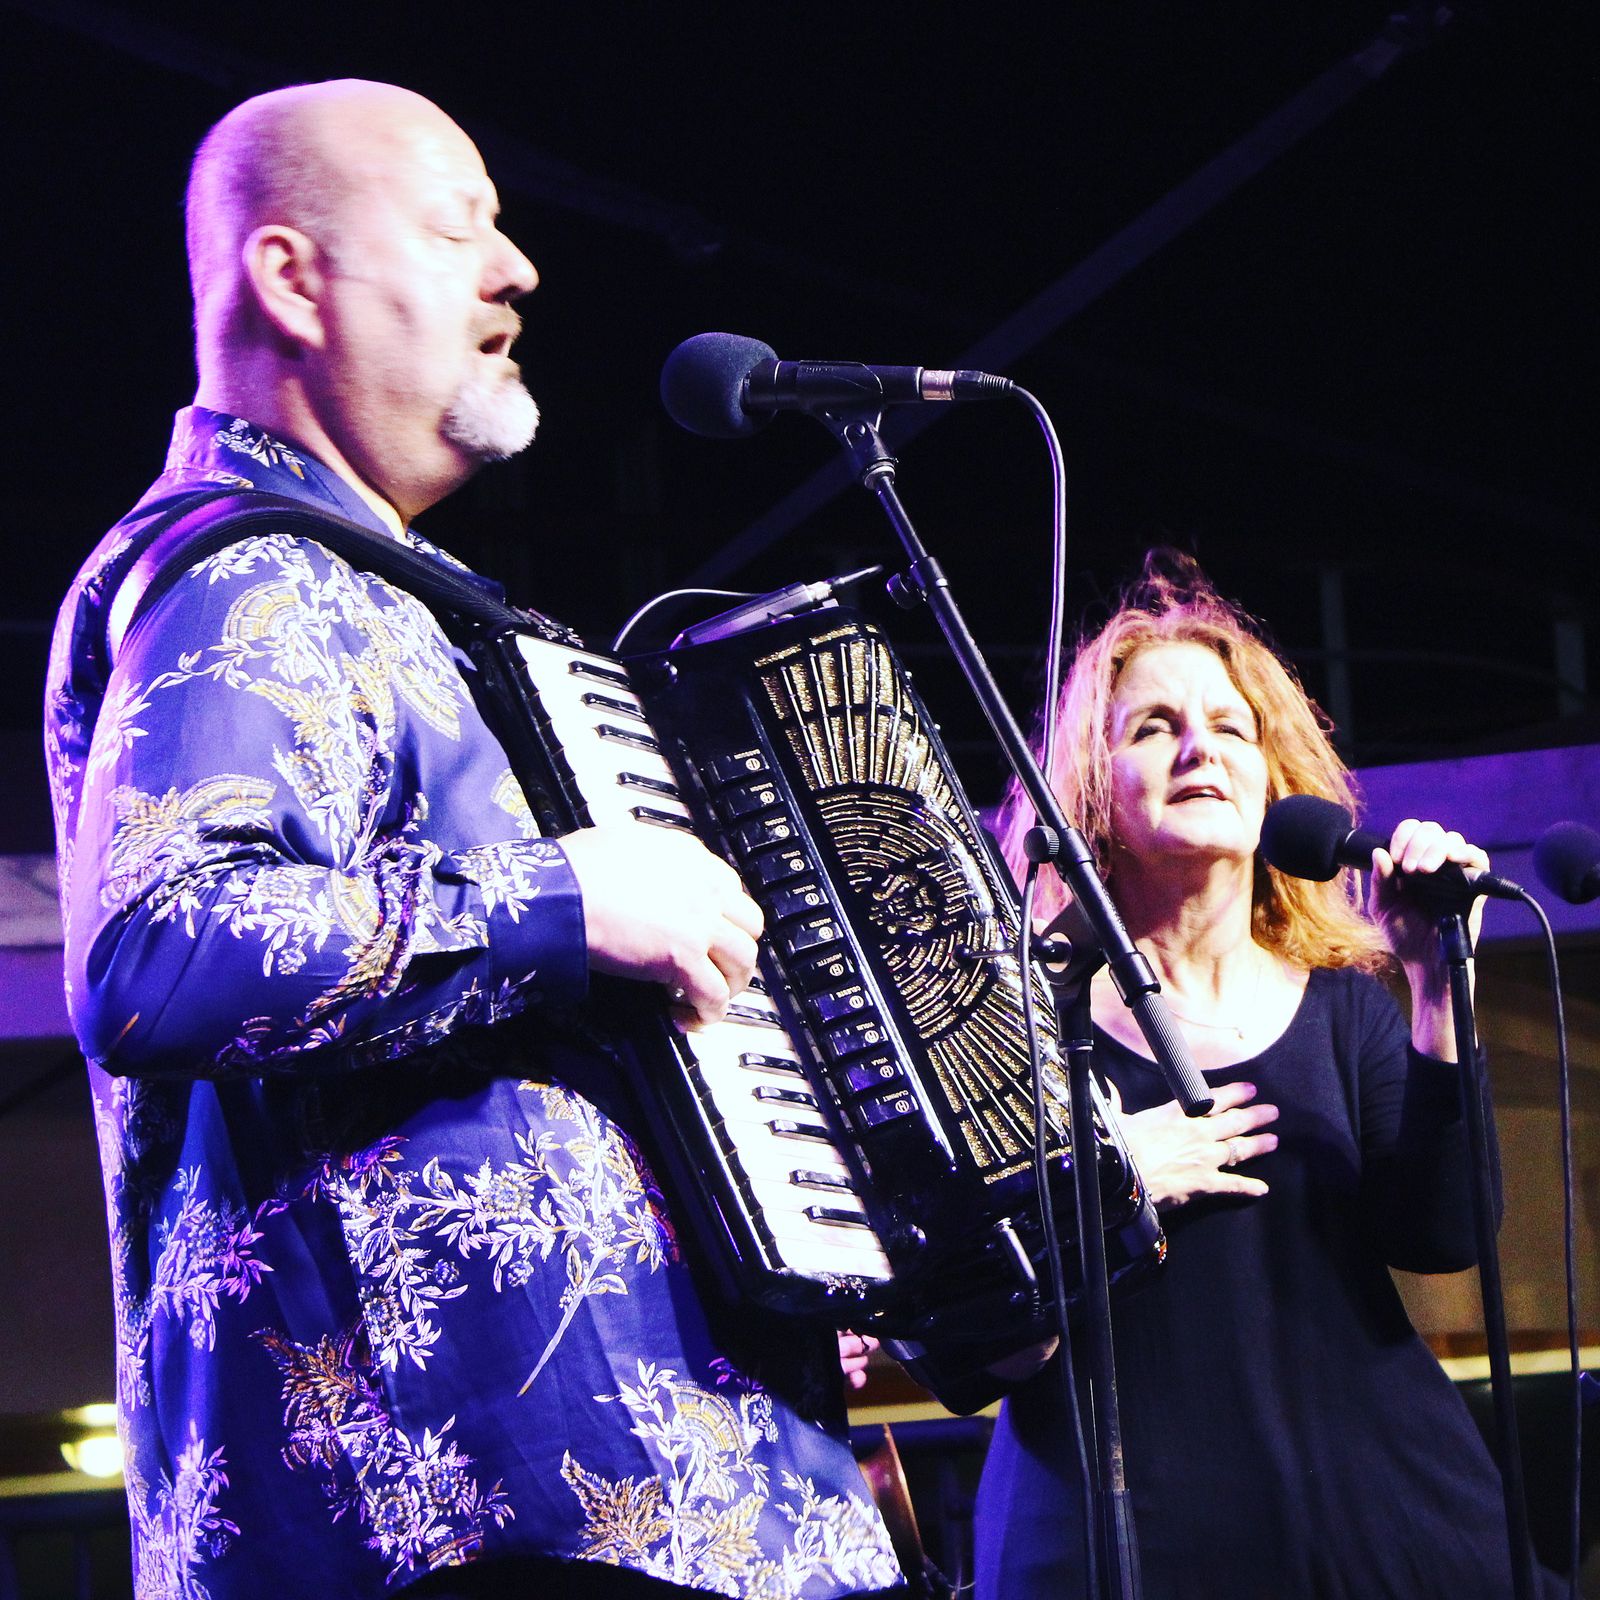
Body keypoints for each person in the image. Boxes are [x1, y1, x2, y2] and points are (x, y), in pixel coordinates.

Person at [45, 80, 900, 1599]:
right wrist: (565, 898)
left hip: (652, 1508)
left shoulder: (390, 598)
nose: (517, 270)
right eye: (457, 229)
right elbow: (159, 954)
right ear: (291, 277)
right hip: (463, 1534)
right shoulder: (242, 576)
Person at [975, 551, 1560, 1598]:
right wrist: (1112, 1180)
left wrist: (1438, 990)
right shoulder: (1024, 1027)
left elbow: (1443, 1236)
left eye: (1229, 726)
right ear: (1090, 790)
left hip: (1383, 1528)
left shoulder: (1342, 1008)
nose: (1198, 746)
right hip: (1128, 1546)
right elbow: (982, 1348)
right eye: (1154, 726)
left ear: (1269, 778)